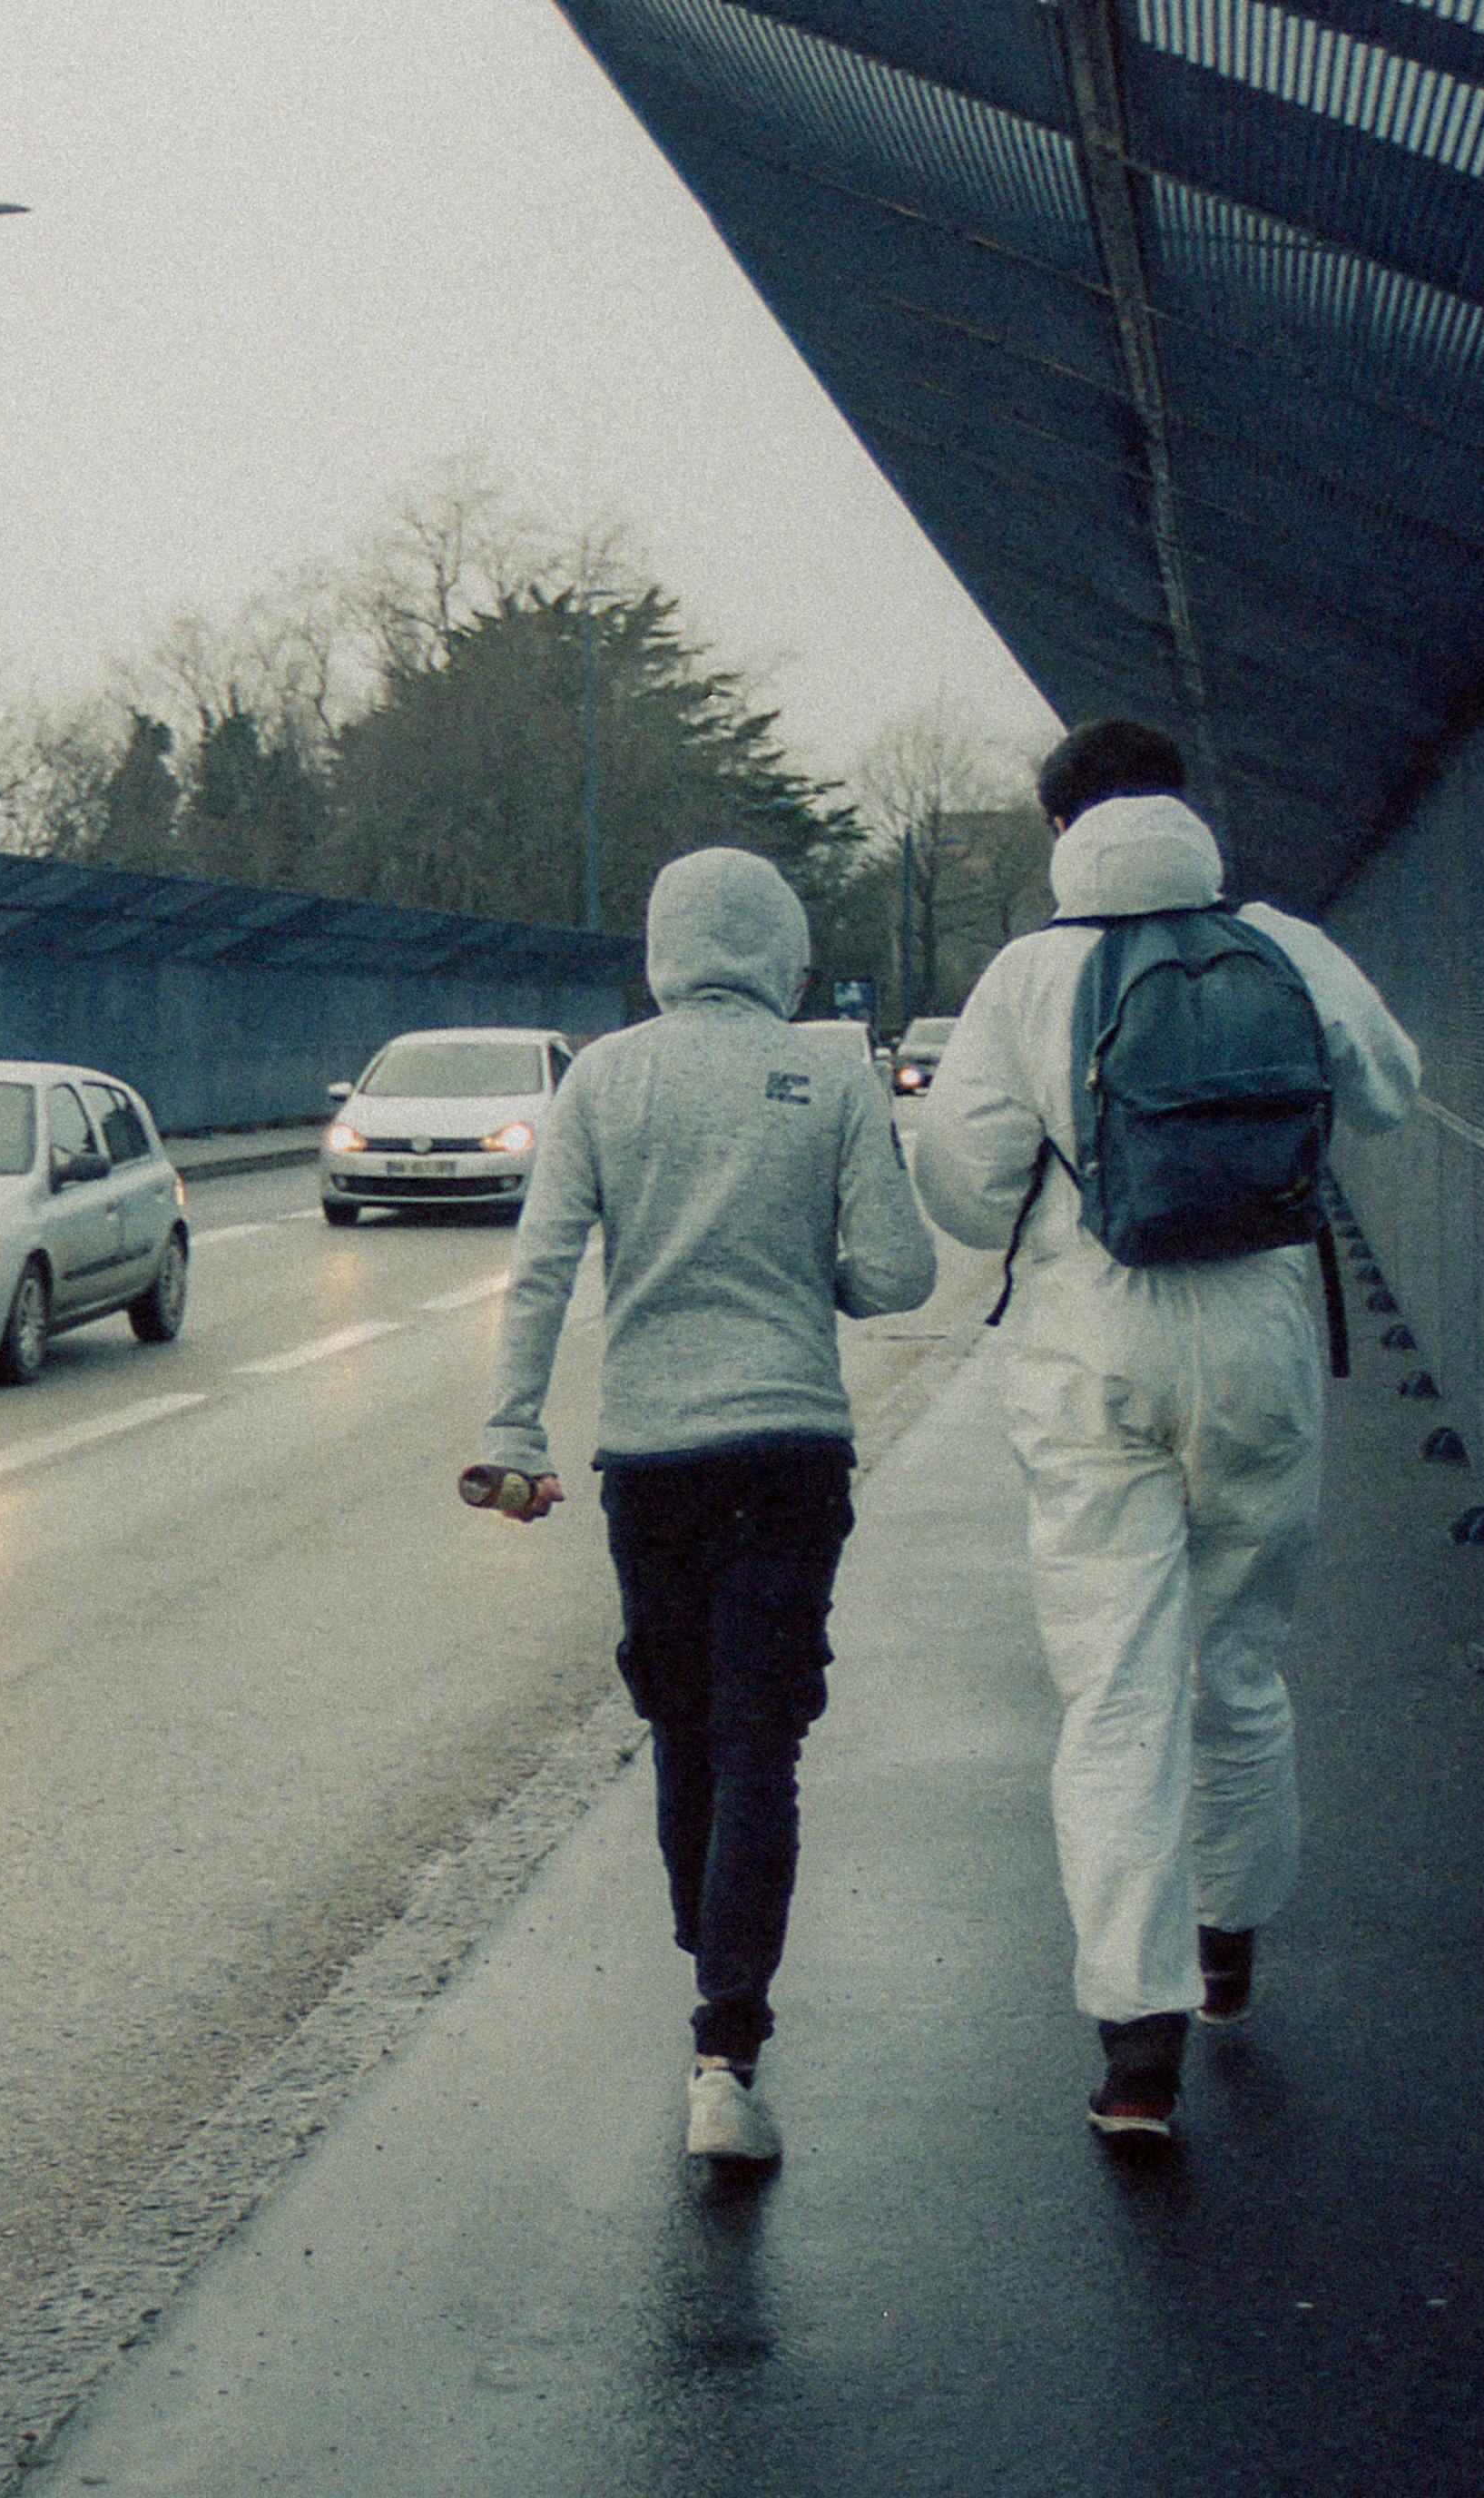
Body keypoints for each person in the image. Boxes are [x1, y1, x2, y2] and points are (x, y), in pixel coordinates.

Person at [911, 720, 1420, 2144]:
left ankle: (1136, 2049)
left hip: (1091, 1358)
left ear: (1060, 828)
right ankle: (1232, 1948)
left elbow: (962, 1185)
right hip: (1259, 1344)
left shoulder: (1028, 974)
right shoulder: (1286, 945)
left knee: (1115, 1694)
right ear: (1186, 809)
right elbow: (1390, 1091)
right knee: (1240, 1665)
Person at [472, 845, 941, 2169]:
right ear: (784, 949)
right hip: (792, 1447)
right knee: (763, 1744)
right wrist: (819, 1286)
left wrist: (512, 1429)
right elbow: (902, 1273)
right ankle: (726, 2049)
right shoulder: (835, 1074)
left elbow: (543, 1271)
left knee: (683, 1723)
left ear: (662, 950)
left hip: (654, 1457)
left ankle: (708, 1929)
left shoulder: (606, 1077)